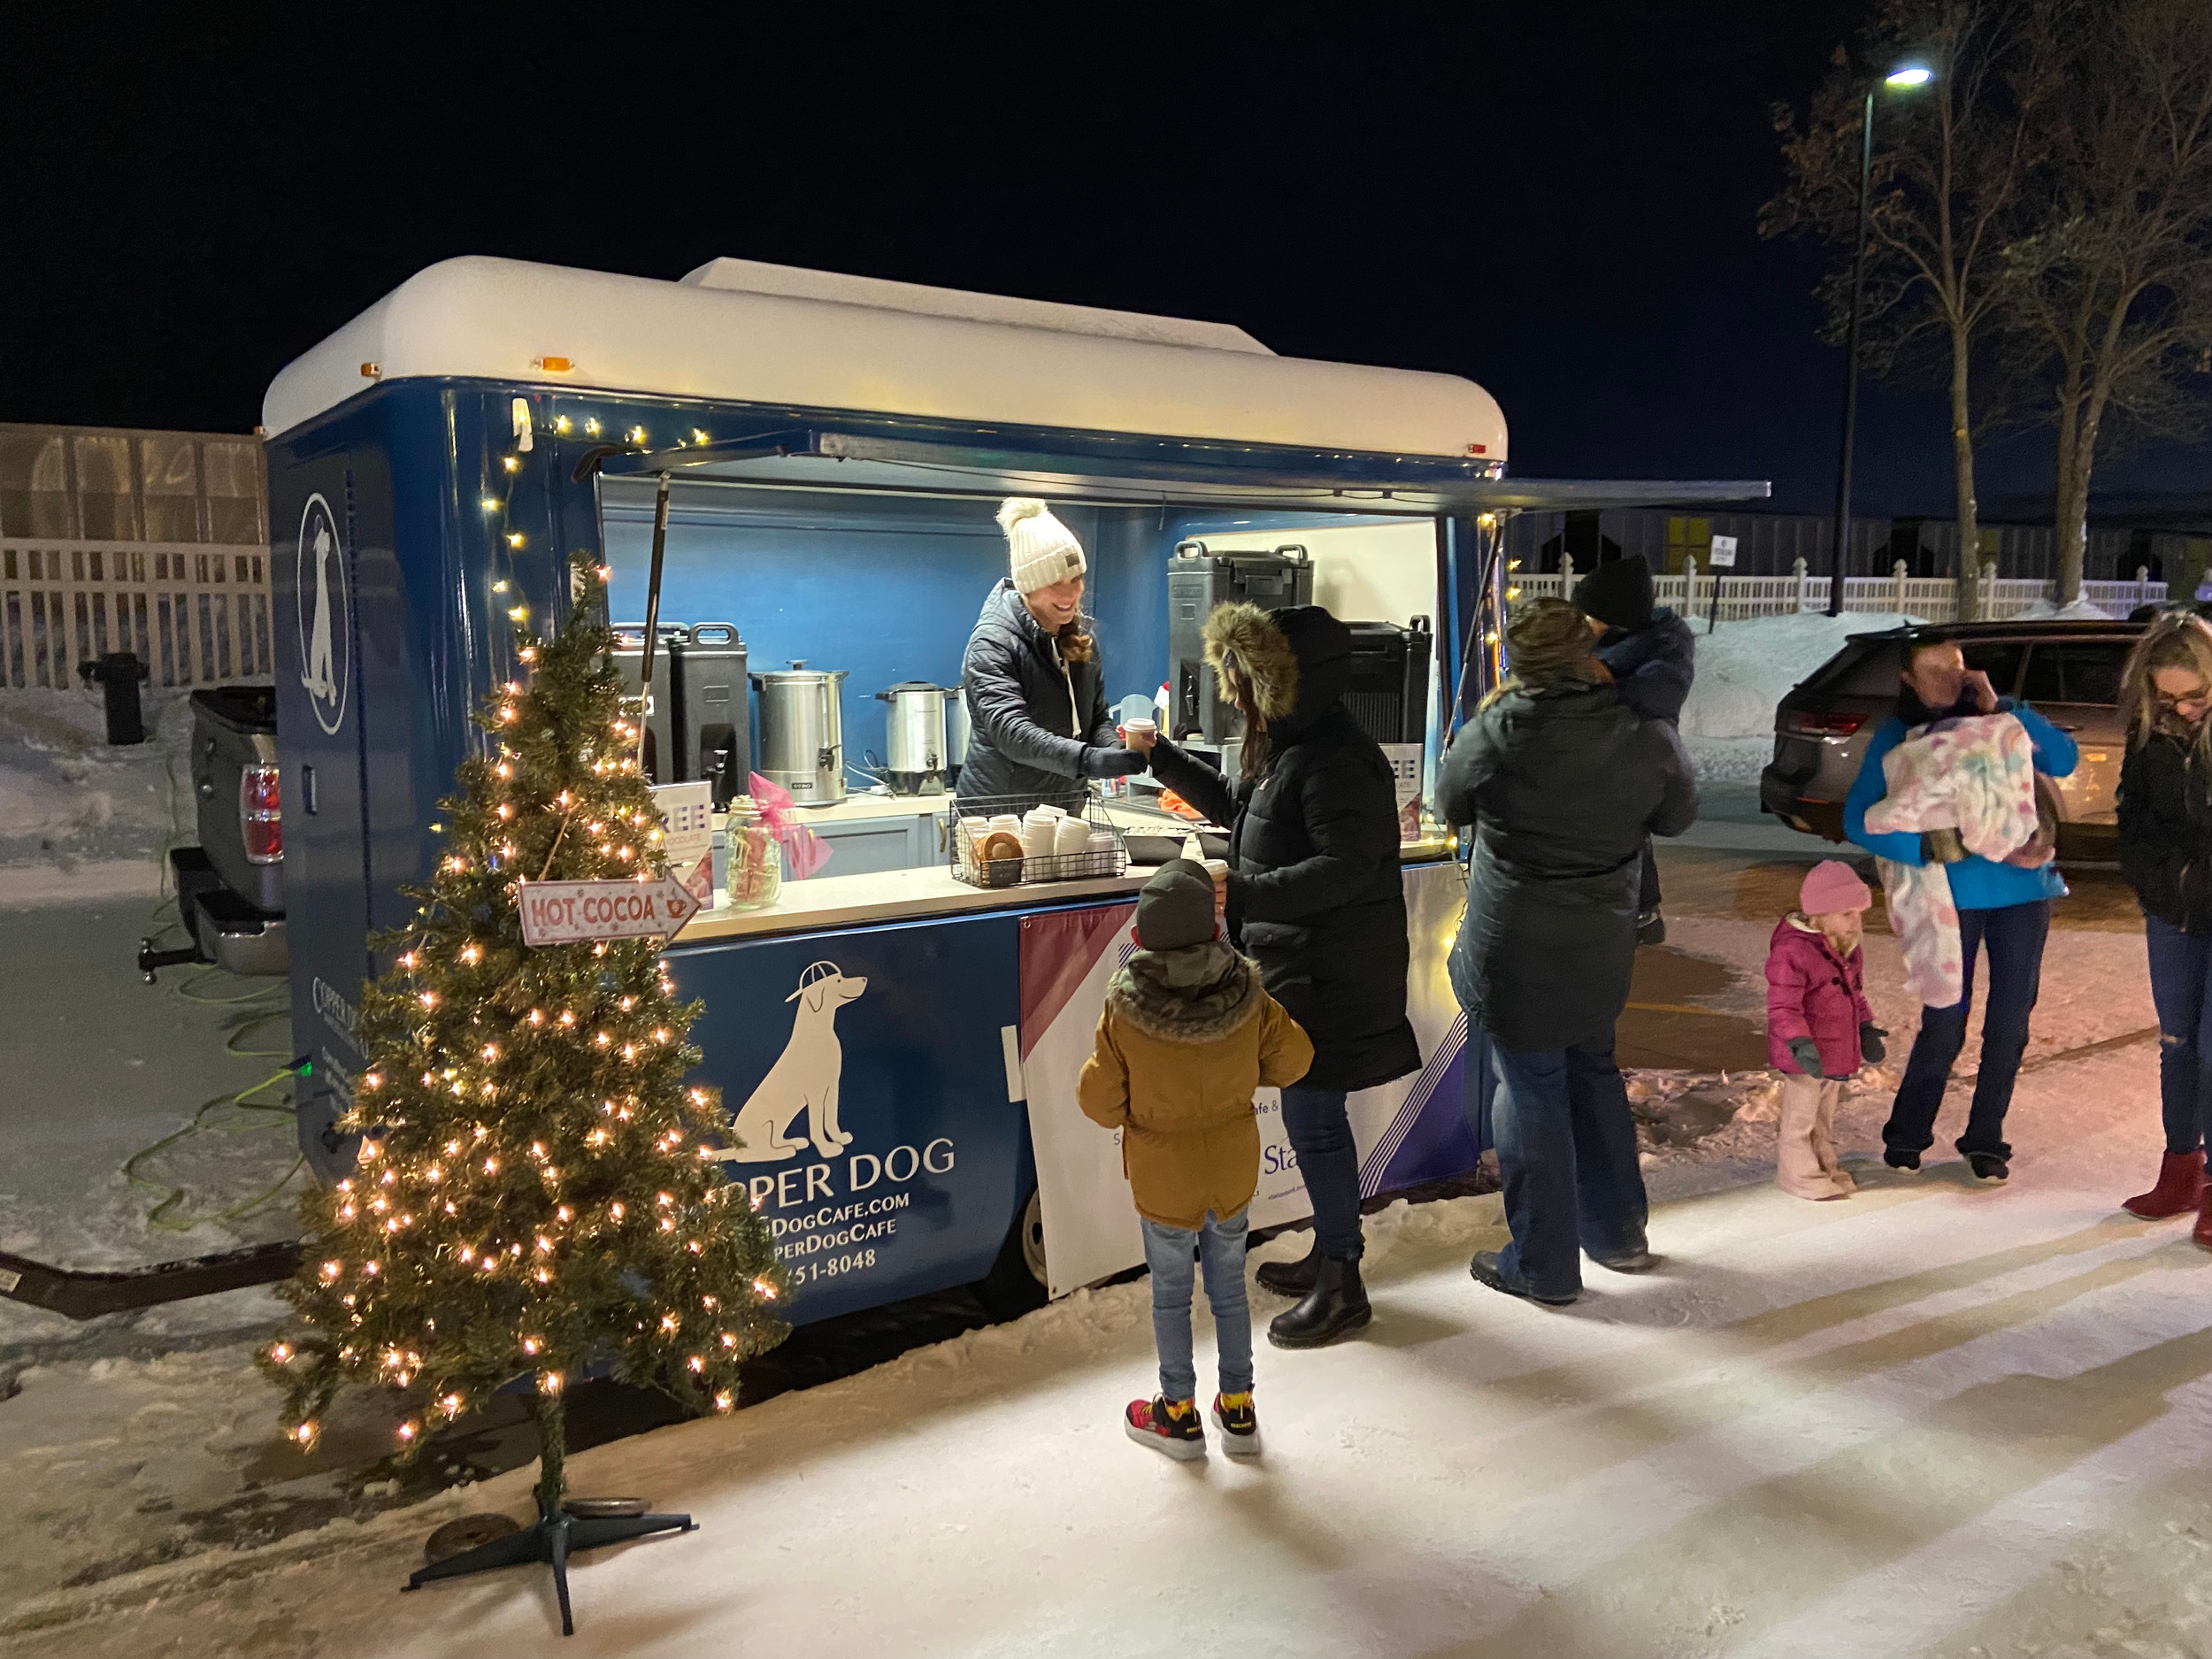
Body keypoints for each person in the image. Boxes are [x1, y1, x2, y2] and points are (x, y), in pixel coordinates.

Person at [1129, 603, 1420, 1348]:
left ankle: (1344, 1283)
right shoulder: (1294, 746)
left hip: (1332, 974)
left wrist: (1244, 892)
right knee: (1311, 1120)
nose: (1235, 696)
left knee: (1315, 1124)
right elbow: (1244, 810)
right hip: (1305, 967)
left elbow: (1346, 868)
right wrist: (1163, 757)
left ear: (1284, 682)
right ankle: (1331, 1250)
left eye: (1243, 681)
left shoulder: (1337, 759)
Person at [1436, 597, 1698, 1305]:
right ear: (1586, 651)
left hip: (1514, 949)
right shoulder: (1642, 729)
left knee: (1530, 1092)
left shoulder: (1494, 732)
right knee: (1593, 1070)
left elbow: (1450, 804)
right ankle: (1617, 1232)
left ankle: (1544, 1263)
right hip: (1600, 944)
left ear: (1518, 660)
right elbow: (1677, 814)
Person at [1078, 860, 1315, 1460]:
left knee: (1171, 1294)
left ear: (1140, 938)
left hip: (1163, 1178)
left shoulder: (1124, 1009)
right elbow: (1295, 1060)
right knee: (1229, 1289)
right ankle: (1238, 1410)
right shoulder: (1249, 994)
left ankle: (1178, 1415)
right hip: (1231, 1170)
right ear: (1213, 930)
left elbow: (1099, 1102)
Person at [1846, 634, 2078, 1182]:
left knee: (2010, 1024)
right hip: (1951, 898)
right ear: (1908, 680)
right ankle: (1906, 1135)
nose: (1949, 681)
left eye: (1956, 669)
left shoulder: (2000, 722)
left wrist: (2003, 706)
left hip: (2025, 892)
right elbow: (1860, 820)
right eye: (1934, 672)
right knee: (1944, 1022)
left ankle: (1986, 1139)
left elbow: (2062, 759)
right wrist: (1934, 845)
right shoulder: (1900, 738)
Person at [2114, 610, 2212, 1241]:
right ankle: (2181, 1169)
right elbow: (2134, 818)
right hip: (2172, 911)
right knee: (2177, 1042)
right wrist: (2157, 883)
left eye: (2194, 695)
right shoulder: (2151, 734)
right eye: (2167, 697)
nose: (2182, 709)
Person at [957, 497, 1146, 810]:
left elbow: (1096, 717)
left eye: (1076, 579)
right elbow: (1012, 733)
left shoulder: (1081, 639)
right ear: (1028, 586)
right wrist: (1088, 760)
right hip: (999, 816)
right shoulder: (993, 643)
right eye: (1055, 583)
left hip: (1063, 808)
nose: (1070, 594)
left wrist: (1114, 749)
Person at [1572, 555, 1694, 946]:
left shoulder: (1665, 647)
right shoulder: (1605, 641)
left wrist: (1602, 681)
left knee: (1627, 828)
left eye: (1591, 616)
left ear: (1617, 617)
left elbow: (1655, 699)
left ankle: (1641, 911)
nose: (1585, 623)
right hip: (1599, 752)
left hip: (1633, 755)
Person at [1765, 860, 1886, 1202]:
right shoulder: (1792, 951)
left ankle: (1824, 1163)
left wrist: (1865, 1027)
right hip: (1805, 1051)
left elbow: (1855, 995)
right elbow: (1783, 1006)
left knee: (1823, 1115)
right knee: (1800, 1117)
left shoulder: (1846, 949)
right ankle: (1798, 1174)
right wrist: (1798, 1042)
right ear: (1821, 914)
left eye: (1858, 913)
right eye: (1847, 914)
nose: (1856, 921)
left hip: (1834, 1048)